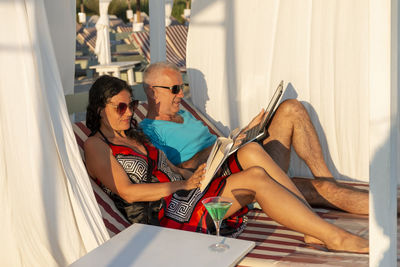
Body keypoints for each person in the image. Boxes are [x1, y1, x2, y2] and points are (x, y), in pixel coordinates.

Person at [84, 75, 368, 253]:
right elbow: (128, 192)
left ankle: (314, 229)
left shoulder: (134, 133)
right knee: (255, 177)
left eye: (131, 105)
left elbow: (169, 167)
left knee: (253, 161)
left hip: (184, 191)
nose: (128, 112)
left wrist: (194, 173)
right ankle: (333, 236)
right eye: (120, 107)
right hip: (166, 215)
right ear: (99, 108)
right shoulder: (97, 146)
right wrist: (182, 183)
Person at [140, 62, 369, 215]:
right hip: (234, 178)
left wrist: (246, 133)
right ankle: (386, 207)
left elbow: (214, 145)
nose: (181, 94)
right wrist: (226, 146)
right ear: (152, 92)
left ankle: (327, 177)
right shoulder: (148, 132)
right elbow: (181, 170)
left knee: (291, 108)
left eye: (183, 87)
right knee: (321, 191)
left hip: (241, 156)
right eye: (175, 88)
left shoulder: (183, 113)